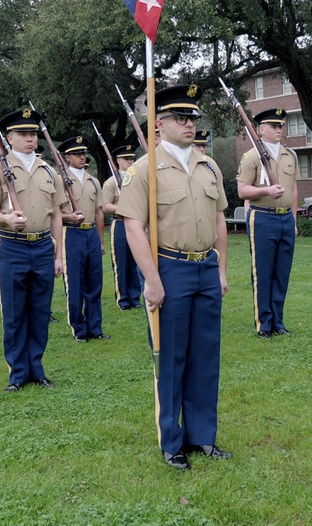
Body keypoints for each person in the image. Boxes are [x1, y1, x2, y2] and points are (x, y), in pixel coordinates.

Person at [117, 84, 231, 470]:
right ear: (159, 124)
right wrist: (151, 279)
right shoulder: (143, 170)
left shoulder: (209, 165)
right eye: (180, 118)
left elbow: (219, 220)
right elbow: (134, 227)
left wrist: (221, 269)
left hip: (205, 267)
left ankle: (203, 437)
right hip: (171, 268)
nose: (189, 124)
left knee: (205, 357)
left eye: (193, 118)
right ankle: (172, 442)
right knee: (171, 359)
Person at [0, 108, 69, 392]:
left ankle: (37, 369)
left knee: (40, 311)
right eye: (23, 134)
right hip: (12, 247)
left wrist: (58, 255)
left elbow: (56, 215)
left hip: (43, 245)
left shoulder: (49, 171)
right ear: (9, 138)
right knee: (15, 313)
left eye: (33, 133)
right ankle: (18, 373)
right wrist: (6, 218)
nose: (30, 139)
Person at [237, 108, 299, 339]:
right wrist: (265, 190)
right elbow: (242, 190)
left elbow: (293, 189)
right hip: (262, 217)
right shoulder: (251, 156)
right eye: (273, 126)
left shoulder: (290, 155)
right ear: (261, 130)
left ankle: (278, 321)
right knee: (263, 273)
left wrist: (293, 218)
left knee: (282, 273)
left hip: (285, 219)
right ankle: (264, 323)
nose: (278, 130)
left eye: (280, 126)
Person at [58, 136, 110, 342]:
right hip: (71, 233)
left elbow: (99, 213)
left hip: (90, 234)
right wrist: (68, 217)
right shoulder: (61, 180)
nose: (82, 157)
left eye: (83, 153)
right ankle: (78, 328)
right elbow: (54, 213)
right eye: (77, 154)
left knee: (95, 282)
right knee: (76, 282)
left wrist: (100, 240)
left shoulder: (93, 181)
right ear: (67, 157)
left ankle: (95, 327)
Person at [101, 144, 142, 311]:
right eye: (127, 159)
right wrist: (124, 210)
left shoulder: (138, 179)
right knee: (121, 263)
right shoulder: (111, 182)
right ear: (118, 161)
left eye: (132, 158)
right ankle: (123, 299)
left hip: (137, 224)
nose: (130, 161)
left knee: (136, 261)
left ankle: (135, 298)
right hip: (120, 224)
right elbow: (105, 206)